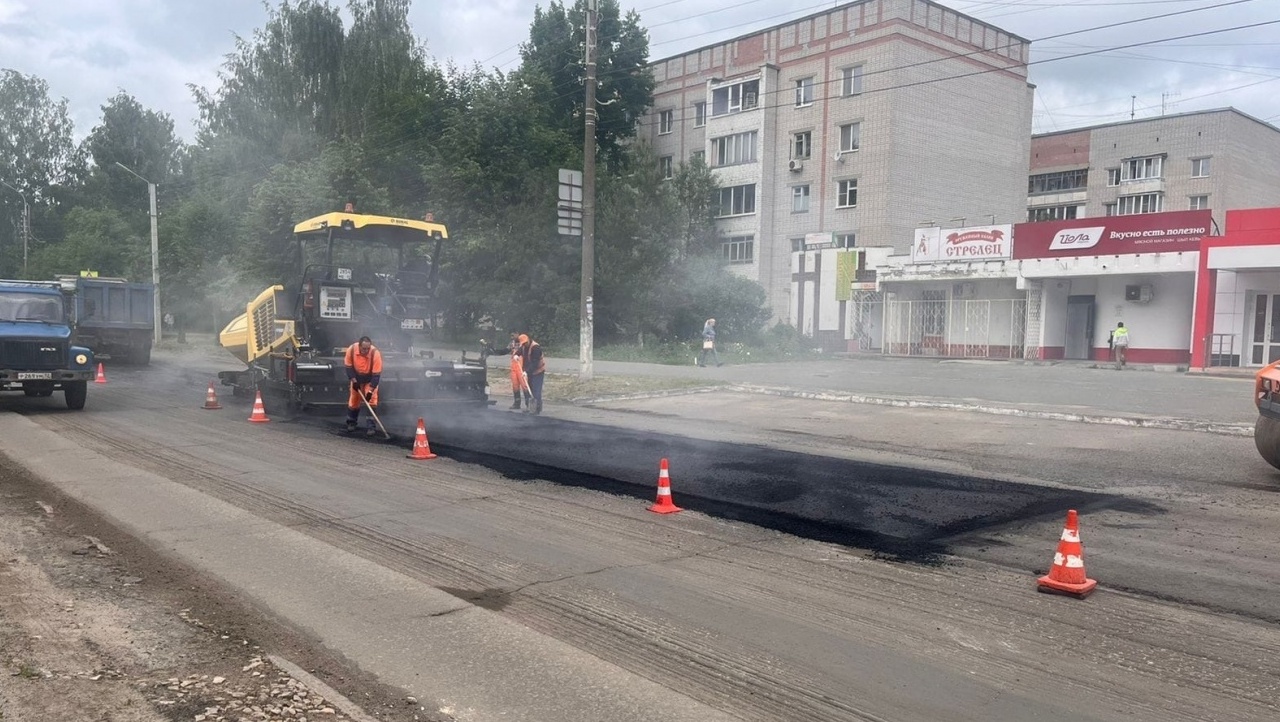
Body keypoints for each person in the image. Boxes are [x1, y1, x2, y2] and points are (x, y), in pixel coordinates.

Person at [344, 335, 383, 435]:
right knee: (354, 400)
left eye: (368, 348)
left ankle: (371, 427)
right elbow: (348, 367)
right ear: (359, 346)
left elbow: (376, 375)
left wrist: (370, 391)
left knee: (372, 400)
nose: (366, 351)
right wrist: (354, 381)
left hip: (370, 379)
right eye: (364, 348)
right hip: (356, 378)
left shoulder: (375, 353)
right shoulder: (351, 350)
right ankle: (351, 423)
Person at [517, 333, 545, 415]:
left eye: (525, 343)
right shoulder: (523, 347)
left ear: (528, 339)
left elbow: (535, 363)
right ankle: (530, 407)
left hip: (538, 371)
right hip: (530, 372)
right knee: (530, 390)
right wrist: (516, 355)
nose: (525, 345)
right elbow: (519, 352)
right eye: (523, 344)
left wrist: (526, 371)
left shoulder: (535, 348)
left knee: (536, 391)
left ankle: (537, 409)